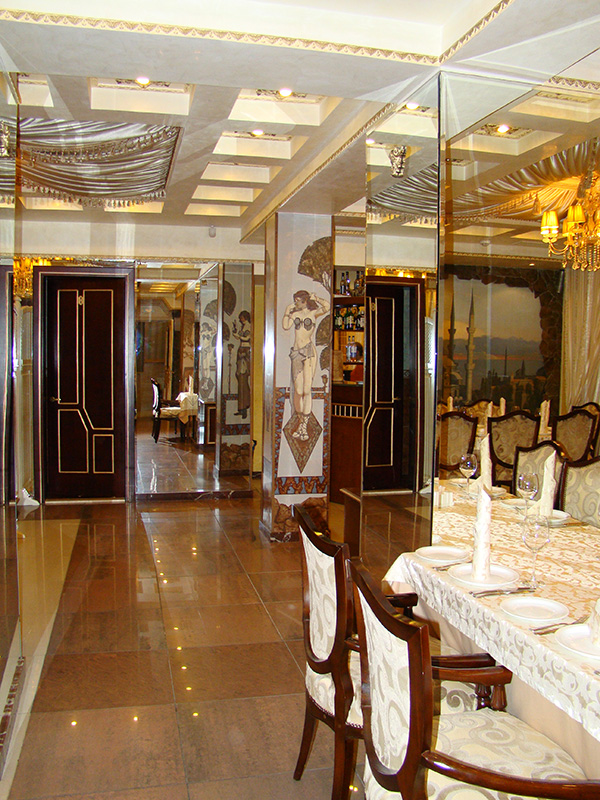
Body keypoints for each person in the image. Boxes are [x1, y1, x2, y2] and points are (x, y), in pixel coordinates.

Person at [282, 289, 330, 441]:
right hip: (297, 353)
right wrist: (287, 310)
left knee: (307, 389)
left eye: (298, 300)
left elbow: (327, 307)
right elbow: (285, 326)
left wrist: (317, 298)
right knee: (298, 391)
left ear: (305, 301)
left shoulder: (313, 313)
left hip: (309, 352)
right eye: (295, 300)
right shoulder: (295, 314)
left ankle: (304, 427)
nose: (296, 303)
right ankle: (299, 421)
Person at [232, 310, 251, 418]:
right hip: (242, 351)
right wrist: (235, 332)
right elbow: (239, 336)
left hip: (245, 351)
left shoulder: (248, 326)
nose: (241, 319)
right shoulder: (243, 327)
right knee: (240, 378)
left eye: (242, 317)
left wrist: (239, 336)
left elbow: (246, 338)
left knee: (243, 377)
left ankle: (244, 406)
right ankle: (242, 407)